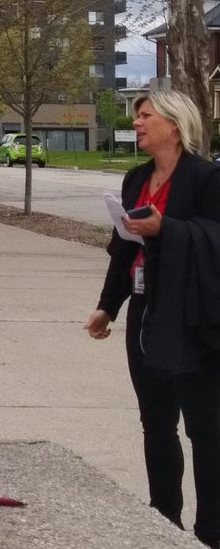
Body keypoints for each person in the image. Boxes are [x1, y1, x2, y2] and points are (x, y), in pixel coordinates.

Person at [86, 90, 220, 549]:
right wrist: (108, 305)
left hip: (193, 318)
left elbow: (216, 239)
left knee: (205, 427)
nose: (137, 122)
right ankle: (164, 518)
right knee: (155, 421)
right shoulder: (136, 178)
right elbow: (123, 247)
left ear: (175, 124)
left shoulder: (207, 178)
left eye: (146, 115)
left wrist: (169, 230)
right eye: (137, 115)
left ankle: (211, 531)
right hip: (146, 310)